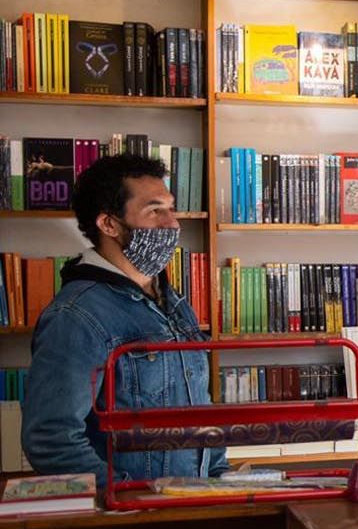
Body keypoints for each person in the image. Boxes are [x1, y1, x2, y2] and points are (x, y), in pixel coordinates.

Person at [22, 154, 227, 486]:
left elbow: (200, 409)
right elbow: (50, 440)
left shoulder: (174, 305)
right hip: (132, 523)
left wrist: (219, 478)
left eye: (171, 209)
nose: (172, 224)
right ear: (109, 225)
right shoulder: (75, 316)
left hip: (194, 509)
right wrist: (130, 496)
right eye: (155, 211)